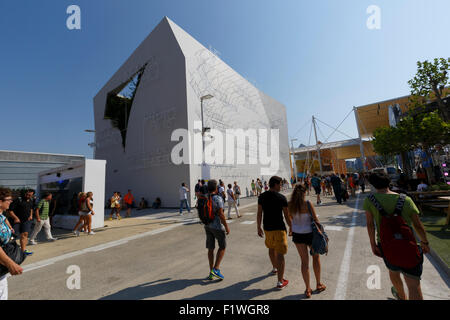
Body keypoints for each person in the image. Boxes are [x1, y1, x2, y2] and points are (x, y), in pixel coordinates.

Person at [363, 172, 430, 300]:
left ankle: (401, 296)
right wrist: (425, 242)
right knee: (413, 285)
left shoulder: (370, 201)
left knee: (393, 271)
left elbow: (370, 224)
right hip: (409, 245)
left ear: (373, 185)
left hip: (385, 244)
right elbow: (418, 225)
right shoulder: (405, 199)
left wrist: (373, 244)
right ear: (389, 182)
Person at [288, 184, 326, 298]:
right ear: (305, 192)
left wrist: (292, 227)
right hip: (310, 234)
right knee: (316, 257)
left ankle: (307, 289)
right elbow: (316, 219)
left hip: (297, 235)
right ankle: (318, 284)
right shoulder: (307, 203)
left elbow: (290, 219)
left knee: (304, 262)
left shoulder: (290, 204)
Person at [257, 176, 292, 289]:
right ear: (276, 184)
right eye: (280, 184)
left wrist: (258, 227)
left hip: (267, 228)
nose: (281, 186)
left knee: (271, 249)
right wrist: (292, 227)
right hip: (279, 229)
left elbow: (259, 213)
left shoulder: (262, 196)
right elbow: (287, 216)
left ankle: (275, 268)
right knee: (280, 254)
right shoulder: (281, 198)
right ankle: (280, 282)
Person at [204, 179, 230, 281]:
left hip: (207, 226)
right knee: (222, 247)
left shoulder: (205, 197)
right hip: (217, 227)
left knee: (211, 248)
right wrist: (227, 227)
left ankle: (211, 272)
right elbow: (221, 214)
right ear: (216, 188)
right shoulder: (218, 198)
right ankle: (216, 269)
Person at [0, 188, 23, 300]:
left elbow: (4, 219)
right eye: (9, 199)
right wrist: (10, 264)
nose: (11, 201)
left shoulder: (2, 216)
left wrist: (9, 228)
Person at [7, 189, 34, 256]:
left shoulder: (30, 200)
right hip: (16, 221)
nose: (28, 196)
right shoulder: (18, 200)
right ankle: (8, 250)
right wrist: (16, 218)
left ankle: (23, 250)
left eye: (30, 195)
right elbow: (10, 211)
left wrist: (30, 215)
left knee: (25, 234)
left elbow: (31, 208)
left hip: (26, 221)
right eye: (27, 194)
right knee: (12, 236)